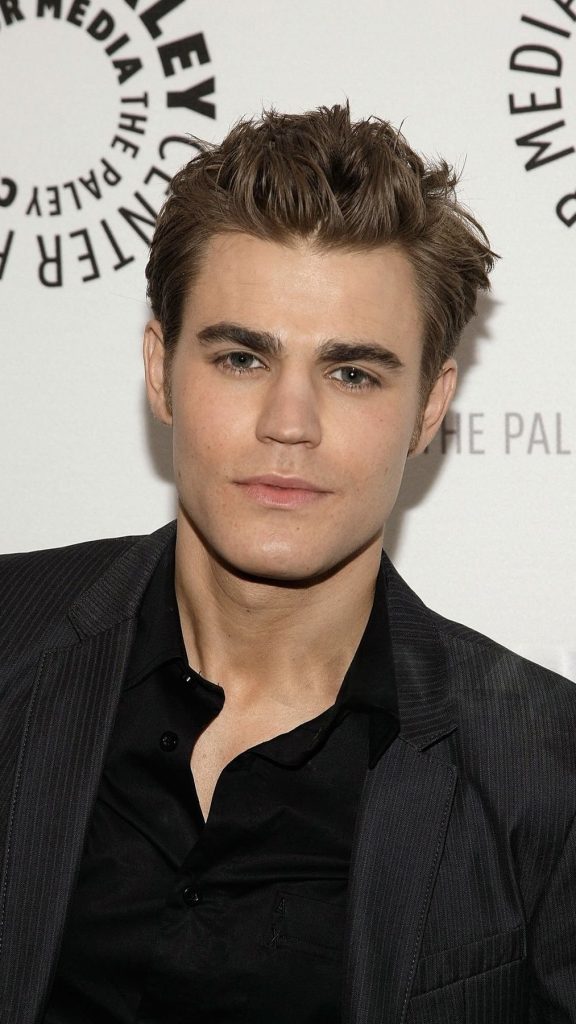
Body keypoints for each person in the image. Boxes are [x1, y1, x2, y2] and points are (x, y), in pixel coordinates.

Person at [0, 104, 574, 1024]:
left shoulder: (547, 771)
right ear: (161, 369)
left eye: (353, 374)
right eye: (240, 358)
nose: (289, 423)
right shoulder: (13, 636)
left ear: (429, 408)